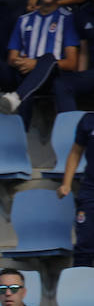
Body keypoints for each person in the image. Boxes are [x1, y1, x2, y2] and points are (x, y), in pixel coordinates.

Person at [54, 0, 94, 114]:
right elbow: (83, 51)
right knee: (62, 83)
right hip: (91, 75)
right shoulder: (82, 14)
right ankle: (69, 130)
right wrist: (81, 77)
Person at [56, 110, 94, 266]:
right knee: (85, 244)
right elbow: (76, 151)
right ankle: (80, 287)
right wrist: (66, 183)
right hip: (91, 190)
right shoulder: (88, 120)